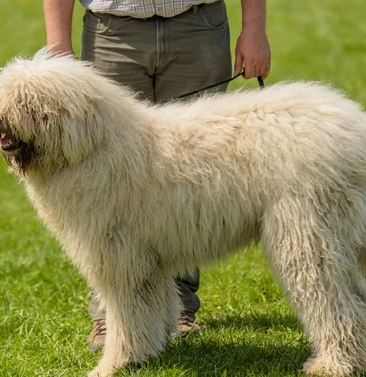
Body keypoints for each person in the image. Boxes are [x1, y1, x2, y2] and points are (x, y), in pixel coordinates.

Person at [43, 0, 271, 351]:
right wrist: (58, 43)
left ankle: (178, 306)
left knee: (191, 174)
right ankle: (109, 315)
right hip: (112, 32)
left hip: (198, 29)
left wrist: (254, 28)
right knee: (102, 184)